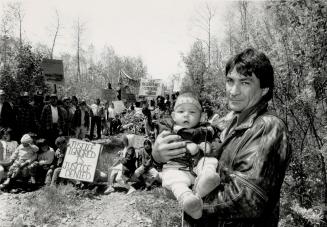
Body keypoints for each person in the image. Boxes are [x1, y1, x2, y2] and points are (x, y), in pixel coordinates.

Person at [152, 48, 291, 226]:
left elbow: (247, 200)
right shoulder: (230, 122)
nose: (233, 91)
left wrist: (186, 194)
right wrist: (159, 157)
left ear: (264, 89)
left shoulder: (267, 127)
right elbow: (196, 154)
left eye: (245, 83)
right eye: (230, 81)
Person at [157, 92, 219, 219]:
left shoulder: (206, 129)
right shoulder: (169, 127)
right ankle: (188, 201)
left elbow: (217, 144)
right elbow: (165, 142)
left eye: (192, 112)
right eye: (181, 112)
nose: (186, 115)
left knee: (210, 161)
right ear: (173, 116)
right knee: (175, 181)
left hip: (198, 169)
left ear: (201, 116)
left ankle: (206, 180)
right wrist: (185, 144)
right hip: (177, 168)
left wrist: (209, 147)